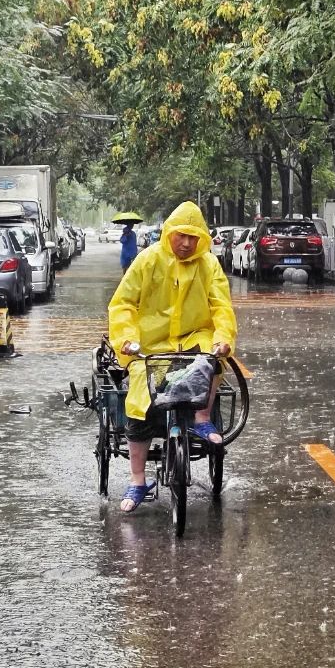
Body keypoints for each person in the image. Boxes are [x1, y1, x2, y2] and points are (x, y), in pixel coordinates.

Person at [108, 201, 237, 514]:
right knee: (139, 404)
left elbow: (221, 307)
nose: (187, 243)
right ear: (170, 233)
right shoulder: (149, 260)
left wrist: (222, 340)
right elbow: (123, 303)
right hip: (152, 345)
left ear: (202, 239)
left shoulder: (208, 265)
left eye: (194, 238)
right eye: (182, 235)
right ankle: (138, 480)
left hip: (193, 339)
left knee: (213, 358)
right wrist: (126, 338)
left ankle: (202, 419)